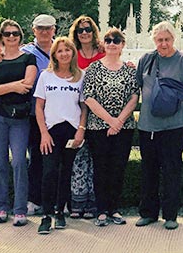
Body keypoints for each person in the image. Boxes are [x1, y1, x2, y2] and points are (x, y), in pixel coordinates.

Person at [135, 21, 183, 230]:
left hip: (174, 125)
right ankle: (148, 213)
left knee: (172, 170)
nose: (163, 44)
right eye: (160, 40)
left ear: (173, 39)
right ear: (154, 40)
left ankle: (171, 215)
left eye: (167, 39)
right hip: (148, 125)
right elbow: (138, 86)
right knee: (149, 169)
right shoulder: (146, 60)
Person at [0, 20, 37, 226]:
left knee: (19, 162)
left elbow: (28, 85)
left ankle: (20, 210)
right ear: (1, 37)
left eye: (15, 33)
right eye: (7, 34)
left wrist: (2, 88)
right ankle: (1, 207)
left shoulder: (28, 58)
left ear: (20, 36)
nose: (11, 37)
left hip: (19, 118)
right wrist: (14, 85)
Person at [82, 27, 139, 227]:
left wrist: (119, 121)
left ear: (123, 45)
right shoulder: (93, 69)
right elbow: (88, 97)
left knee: (118, 168)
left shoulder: (130, 70)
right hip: (98, 127)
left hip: (124, 128)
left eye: (116, 40)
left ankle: (114, 208)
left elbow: (134, 96)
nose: (112, 43)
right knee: (101, 168)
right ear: (103, 44)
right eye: (108, 40)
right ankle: (101, 210)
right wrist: (110, 120)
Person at [34, 37, 87, 235]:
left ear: (73, 53)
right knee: (49, 172)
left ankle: (60, 211)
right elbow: (39, 107)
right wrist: (44, 134)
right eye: (59, 51)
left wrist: (81, 130)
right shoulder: (45, 76)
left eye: (67, 50)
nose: (64, 53)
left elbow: (83, 107)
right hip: (51, 131)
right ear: (54, 55)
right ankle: (46, 215)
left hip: (71, 130)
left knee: (66, 172)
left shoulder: (80, 76)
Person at [67, 15, 104, 219]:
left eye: (88, 29)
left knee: (97, 159)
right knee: (79, 160)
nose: (84, 33)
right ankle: (77, 202)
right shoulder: (72, 53)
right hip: (77, 111)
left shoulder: (103, 51)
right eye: (80, 30)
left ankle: (93, 203)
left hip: (100, 113)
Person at [22, 14, 56, 216]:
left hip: (60, 115)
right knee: (35, 157)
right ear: (33, 30)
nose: (44, 32)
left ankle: (57, 200)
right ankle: (34, 199)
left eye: (48, 28)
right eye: (40, 28)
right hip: (35, 114)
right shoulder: (25, 52)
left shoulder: (62, 48)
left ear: (54, 29)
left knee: (57, 160)